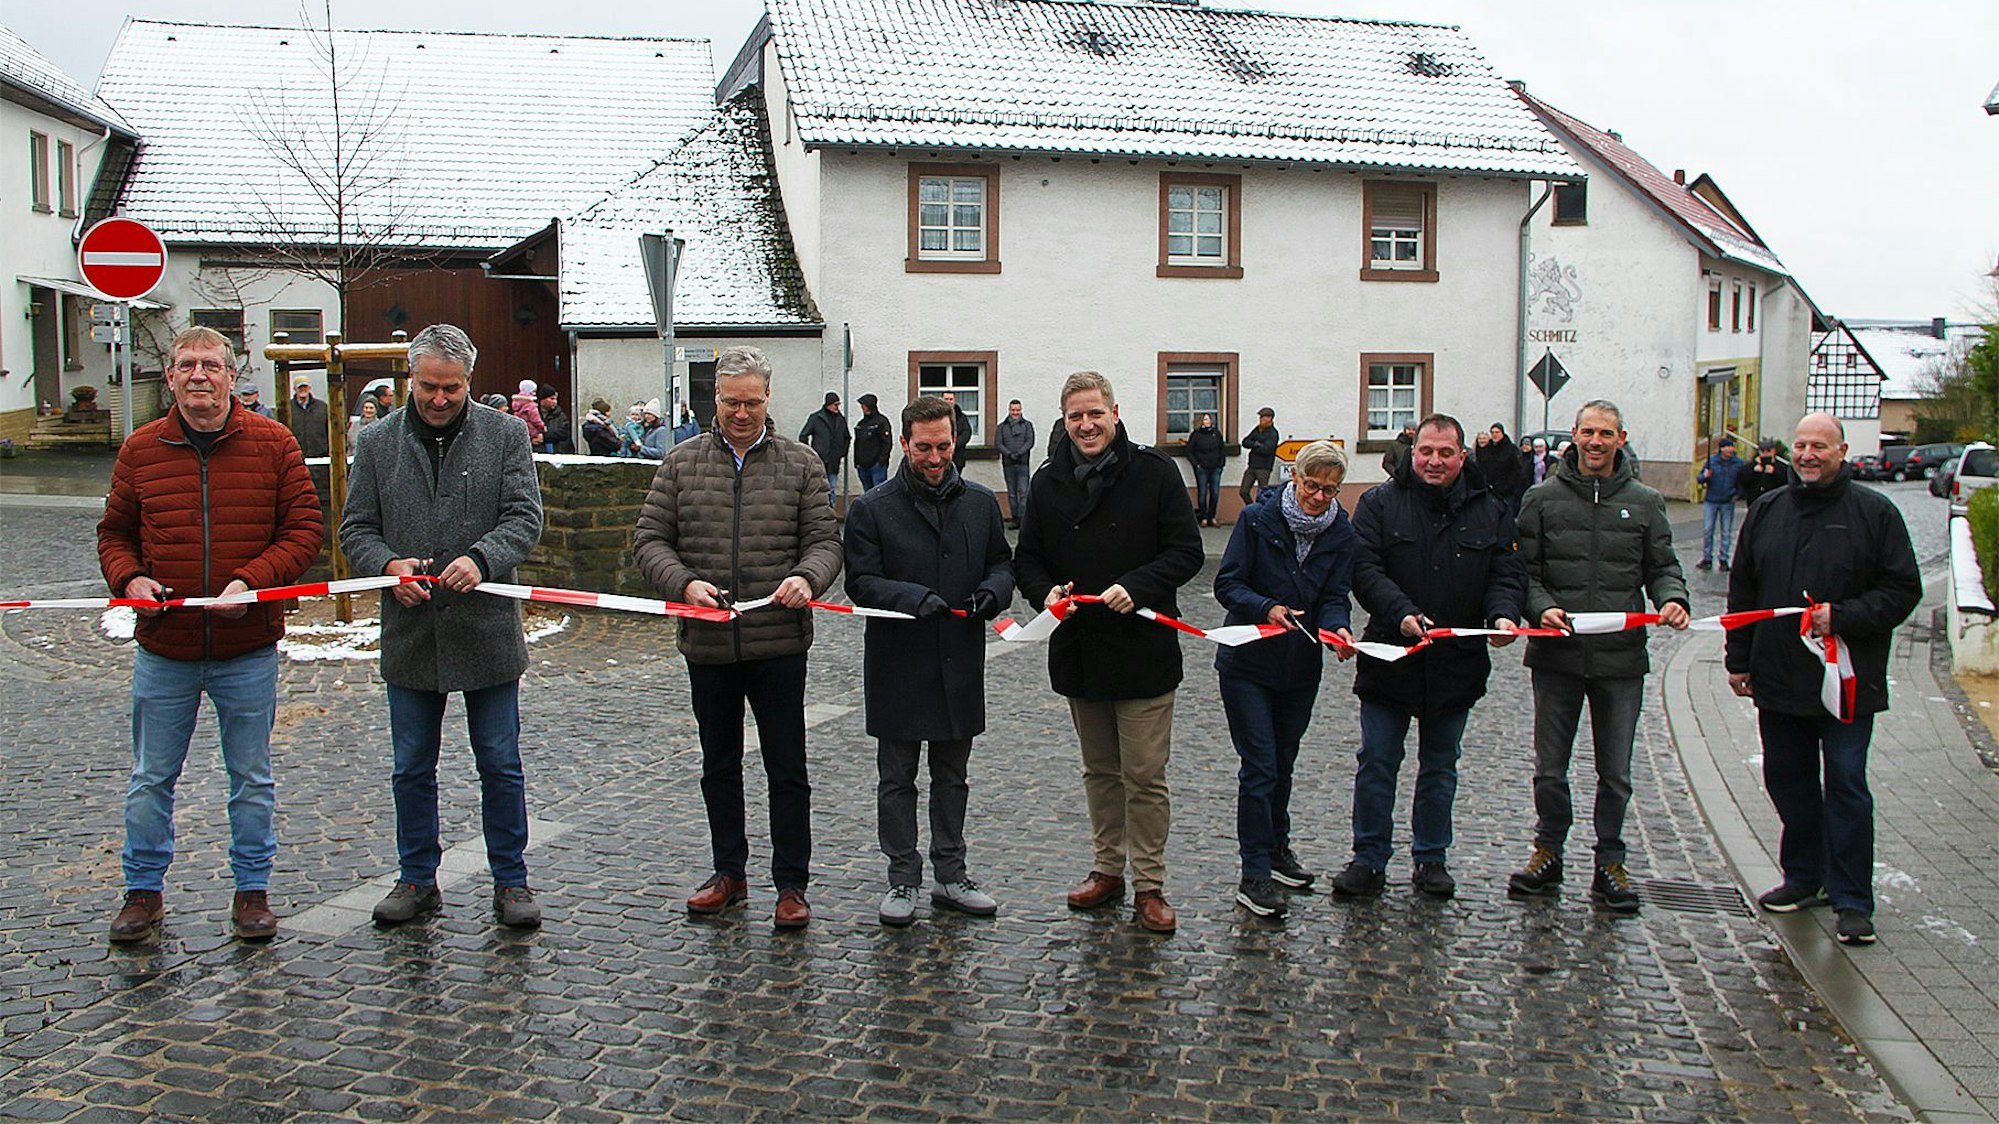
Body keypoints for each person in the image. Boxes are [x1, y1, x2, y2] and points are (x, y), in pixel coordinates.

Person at [96, 326, 324, 944]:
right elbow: (114, 533)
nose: (199, 375)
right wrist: (130, 579)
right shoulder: (140, 449)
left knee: (251, 777)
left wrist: (252, 581)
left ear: (231, 374)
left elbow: (304, 531)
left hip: (245, 648)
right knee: (151, 777)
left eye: (211, 365)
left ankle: (252, 891)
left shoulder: (273, 444)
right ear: (171, 376)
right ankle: (143, 892)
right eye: (187, 364)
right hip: (164, 648)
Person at [339, 323, 547, 930]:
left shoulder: (505, 434)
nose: (438, 399)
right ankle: (415, 878)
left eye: (451, 388)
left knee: (500, 764)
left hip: (486, 631)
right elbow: (356, 528)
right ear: (411, 377)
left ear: (469, 381)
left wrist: (482, 559)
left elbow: (524, 518)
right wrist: (387, 566)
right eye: (428, 386)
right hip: (412, 633)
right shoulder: (377, 442)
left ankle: (511, 879)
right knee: (411, 767)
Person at [633, 345, 843, 929]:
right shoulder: (680, 464)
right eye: (731, 402)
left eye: (752, 402)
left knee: (787, 769)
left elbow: (826, 543)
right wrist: (684, 584)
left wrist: (808, 578)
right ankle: (729, 873)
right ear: (716, 399)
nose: (742, 413)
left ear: (768, 398)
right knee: (719, 765)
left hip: (778, 642)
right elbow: (649, 541)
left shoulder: (801, 464)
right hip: (709, 644)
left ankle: (791, 885)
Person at [1015, 371, 1205, 933]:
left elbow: (1186, 551)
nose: (1087, 424)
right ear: (1064, 420)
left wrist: (1138, 586)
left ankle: (1149, 883)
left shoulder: (1154, 472)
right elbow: (1028, 559)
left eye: (1095, 413)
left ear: (1115, 414)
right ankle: (1106, 870)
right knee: (1099, 771)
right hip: (1081, 648)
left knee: (1143, 774)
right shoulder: (1048, 480)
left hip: (1142, 650)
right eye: (1076, 415)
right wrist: (1045, 593)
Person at [1727, 413, 1921, 946]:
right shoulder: (1767, 510)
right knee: (1788, 782)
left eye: (1819, 446)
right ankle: (1804, 877)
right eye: (1801, 445)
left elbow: (1903, 589)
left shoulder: (1875, 514)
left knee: (1847, 788)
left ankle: (1852, 899)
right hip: (1778, 679)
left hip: (1847, 685)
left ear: (1842, 452)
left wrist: (1845, 617)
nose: (1808, 455)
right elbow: (1744, 591)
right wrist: (1738, 659)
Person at [1509, 400, 1690, 912]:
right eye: (1588, 432)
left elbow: (1662, 566)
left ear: (1620, 439)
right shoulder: (1541, 499)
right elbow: (1525, 573)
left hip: (1620, 660)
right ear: (1574, 435)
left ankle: (1611, 860)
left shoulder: (1646, 502)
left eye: (1605, 434)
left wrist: (1673, 598)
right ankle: (1548, 850)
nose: (1595, 442)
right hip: (1557, 656)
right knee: (1550, 768)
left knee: (1616, 772)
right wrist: (1540, 608)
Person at [1336, 414, 1525, 900]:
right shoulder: (1379, 504)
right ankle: (1368, 858)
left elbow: (1505, 573)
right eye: (1426, 451)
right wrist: (1400, 611)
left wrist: (1503, 615)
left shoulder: (1490, 509)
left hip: (1456, 663)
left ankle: (1431, 858)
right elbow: (1364, 569)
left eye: (1445, 453)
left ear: (1462, 456)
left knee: (1440, 766)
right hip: (1390, 657)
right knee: (1377, 762)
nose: (1434, 461)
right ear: (1412, 452)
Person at [844, 395, 1015, 926]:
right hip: (898, 664)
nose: (935, 457)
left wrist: (993, 592)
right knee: (897, 778)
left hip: (958, 661)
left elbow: (1001, 564)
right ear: (904, 444)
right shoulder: (872, 507)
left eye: (943, 446)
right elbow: (860, 582)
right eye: (924, 448)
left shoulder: (981, 503)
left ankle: (951, 873)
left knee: (952, 777)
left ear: (955, 441)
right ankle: (902, 876)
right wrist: (912, 598)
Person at [1213, 441, 1355, 918]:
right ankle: (1253, 871)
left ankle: (1277, 849)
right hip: (1247, 664)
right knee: (1260, 766)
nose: (1318, 497)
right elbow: (1228, 583)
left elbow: (1335, 594)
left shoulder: (1341, 531)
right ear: (1294, 478)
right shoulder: (1257, 519)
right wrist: (1266, 607)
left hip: (1300, 666)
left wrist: (1337, 628)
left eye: (1329, 490)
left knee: (1284, 762)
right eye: (1311, 486)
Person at [1696, 436, 1747, 570]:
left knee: (1726, 532)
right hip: (1711, 500)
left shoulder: (1738, 463)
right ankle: (1707, 558)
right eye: (1727, 447)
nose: (1730, 449)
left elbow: (1743, 480)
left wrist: (1738, 494)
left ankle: (1724, 559)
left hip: (1728, 501)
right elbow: (1700, 478)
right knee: (1708, 530)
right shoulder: (1712, 461)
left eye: (1731, 447)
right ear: (1721, 449)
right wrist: (1705, 476)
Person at [798, 391, 852, 503]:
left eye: (838, 404)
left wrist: (842, 453)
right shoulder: (816, 418)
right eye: (835, 404)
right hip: (819, 460)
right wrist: (810, 453)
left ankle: (831, 510)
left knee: (832, 488)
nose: (837, 407)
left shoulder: (840, 419)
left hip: (833, 461)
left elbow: (847, 437)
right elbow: (803, 435)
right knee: (818, 488)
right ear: (828, 404)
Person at [995, 398, 1037, 528]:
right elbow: (998, 443)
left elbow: (1030, 441)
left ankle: (1023, 519)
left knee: (1024, 492)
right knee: (1012, 494)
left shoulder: (1027, 425)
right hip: (1008, 464)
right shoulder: (1002, 427)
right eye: (1013, 410)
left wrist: (1019, 453)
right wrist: (1009, 454)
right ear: (1009, 410)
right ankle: (1015, 518)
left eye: (1017, 410)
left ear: (1021, 410)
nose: (1015, 412)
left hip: (1023, 463)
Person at [1186, 412, 1226, 528]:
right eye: (1205, 419)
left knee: (1215, 493)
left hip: (1215, 467)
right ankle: (1203, 517)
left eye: (1208, 419)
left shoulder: (1216, 434)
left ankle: (1212, 516)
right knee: (1202, 493)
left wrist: (1221, 464)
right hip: (1202, 468)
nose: (1207, 421)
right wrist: (1196, 464)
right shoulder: (1196, 435)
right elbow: (1189, 451)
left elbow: (1222, 449)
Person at [1479, 422, 1526, 516]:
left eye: (1497, 432)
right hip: (1490, 490)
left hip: (1507, 492)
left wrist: (1507, 486)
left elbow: (1517, 470)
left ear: (1502, 433)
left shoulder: (1511, 449)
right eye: (1492, 432)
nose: (1494, 435)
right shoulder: (1488, 449)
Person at [1238, 407, 1280, 506]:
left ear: (1270, 418)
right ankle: (1251, 508)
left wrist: (1255, 445)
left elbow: (1267, 449)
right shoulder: (1257, 430)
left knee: (1262, 493)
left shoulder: (1273, 433)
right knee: (1243, 491)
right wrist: (1256, 444)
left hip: (1264, 467)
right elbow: (1245, 442)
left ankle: (1261, 510)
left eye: (1263, 417)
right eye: (1260, 417)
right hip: (1252, 466)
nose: (1261, 419)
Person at [852, 393, 892, 492]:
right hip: (862, 465)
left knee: (879, 492)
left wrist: (881, 461)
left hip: (877, 466)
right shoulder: (861, 424)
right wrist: (857, 462)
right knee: (868, 494)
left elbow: (887, 443)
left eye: (864, 405)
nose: (862, 408)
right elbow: (857, 443)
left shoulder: (881, 422)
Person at [287, 378, 329, 460]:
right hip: (296, 456)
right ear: (295, 389)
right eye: (300, 387)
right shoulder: (287, 408)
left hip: (320, 456)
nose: (303, 389)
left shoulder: (322, 407)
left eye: (305, 387)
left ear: (309, 388)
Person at [1739, 438, 1787, 505]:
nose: (1765, 453)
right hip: (1755, 500)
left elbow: (1785, 483)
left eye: (1768, 450)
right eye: (1762, 450)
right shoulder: (1751, 465)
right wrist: (1753, 472)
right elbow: (1742, 481)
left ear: (1774, 451)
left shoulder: (1781, 466)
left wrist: (1774, 472)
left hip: (1774, 501)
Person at [510, 379, 546, 448]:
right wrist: (543, 427)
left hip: (520, 430)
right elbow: (535, 420)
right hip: (532, 432)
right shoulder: (530, 405)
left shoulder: (516, 403)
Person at [943, 391, 974, 470]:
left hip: (958, 456)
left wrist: (954, 445)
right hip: (941, 456)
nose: (948, 401)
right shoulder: (936, 417)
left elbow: (966, 433)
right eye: (946, 399)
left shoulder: (962, 417)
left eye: (951, 399)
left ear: (954, 401)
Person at [537, 385, 573, 455]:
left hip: (559, 452)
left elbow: (563, 433)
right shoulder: (533, 415)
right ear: (542, 400)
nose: (555, 402)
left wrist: (544, 437)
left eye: (555, 399)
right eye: (552, 399)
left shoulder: (560, 416)